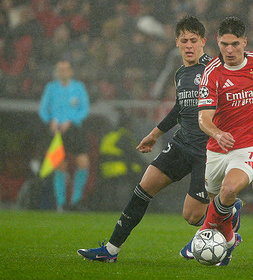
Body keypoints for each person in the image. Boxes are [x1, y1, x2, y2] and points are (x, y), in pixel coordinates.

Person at [77, 15, 241, 263]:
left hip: (207, 151)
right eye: (183, 40)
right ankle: (111, 249)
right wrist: (154, 135)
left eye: (193, 40)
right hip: (181, 144)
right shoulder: (180, 74)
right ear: (176, 42)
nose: (188, 45)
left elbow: (243, 85)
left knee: (192, 216)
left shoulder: (216, 68)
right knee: (144, 187)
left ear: (203, 42)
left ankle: (228, 211)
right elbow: (180, 108)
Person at [194, 16, 253, 266]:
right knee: (219, 200)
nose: (230, 50)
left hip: (251, 144)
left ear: (245, 42)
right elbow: (203, 119)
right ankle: (228, 238)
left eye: (235, 44)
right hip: (218, 147)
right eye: (224, 44)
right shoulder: (211, 73)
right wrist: (217, 133)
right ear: (218, 42)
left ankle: (203, 233)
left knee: (228, 190)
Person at [39, 60, 90, 212]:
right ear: (56, 71)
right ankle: (61, 203)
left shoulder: (78, 87)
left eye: (66, 69)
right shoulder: (51, 88)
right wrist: (50, 120)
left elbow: (84, 108)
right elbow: (43, 109)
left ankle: (75, 200)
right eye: (60, 69)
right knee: (60, 166)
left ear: (71, 71)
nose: (63, 72)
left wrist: (72, 120)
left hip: (74, 129)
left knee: (83, 163)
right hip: (56, 132)